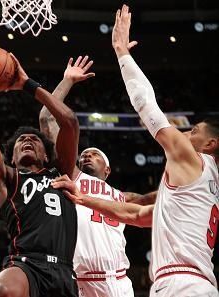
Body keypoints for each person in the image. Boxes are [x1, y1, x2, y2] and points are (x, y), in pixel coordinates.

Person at [52, 4, 219, 297]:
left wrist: (121, 52)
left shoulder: (194, 161)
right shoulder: (202, 189)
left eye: (194, 132)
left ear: (210, 145)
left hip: (181, 284)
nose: (185, 133)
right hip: (196, 283)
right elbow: (136, 213)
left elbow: (147, 107)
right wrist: (84, 199)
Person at [0, 51, 79, 297]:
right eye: (21, 141)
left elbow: (69, 121)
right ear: (12, 158)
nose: (27, 140)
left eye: (34, 139)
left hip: (64, 271)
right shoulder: (7, 180)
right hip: (27, 265)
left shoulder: (61, 172)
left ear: (47, 155)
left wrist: (27, 85)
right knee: (3, 290)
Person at [39, 56, 139, 297]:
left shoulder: (124, 197)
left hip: (120, 281)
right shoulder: (71, 175)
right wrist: (66, 81)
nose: (85, 156)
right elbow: (46, 117)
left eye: (94, 154)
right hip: (81, 282)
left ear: (107, 170)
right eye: (83, 153)